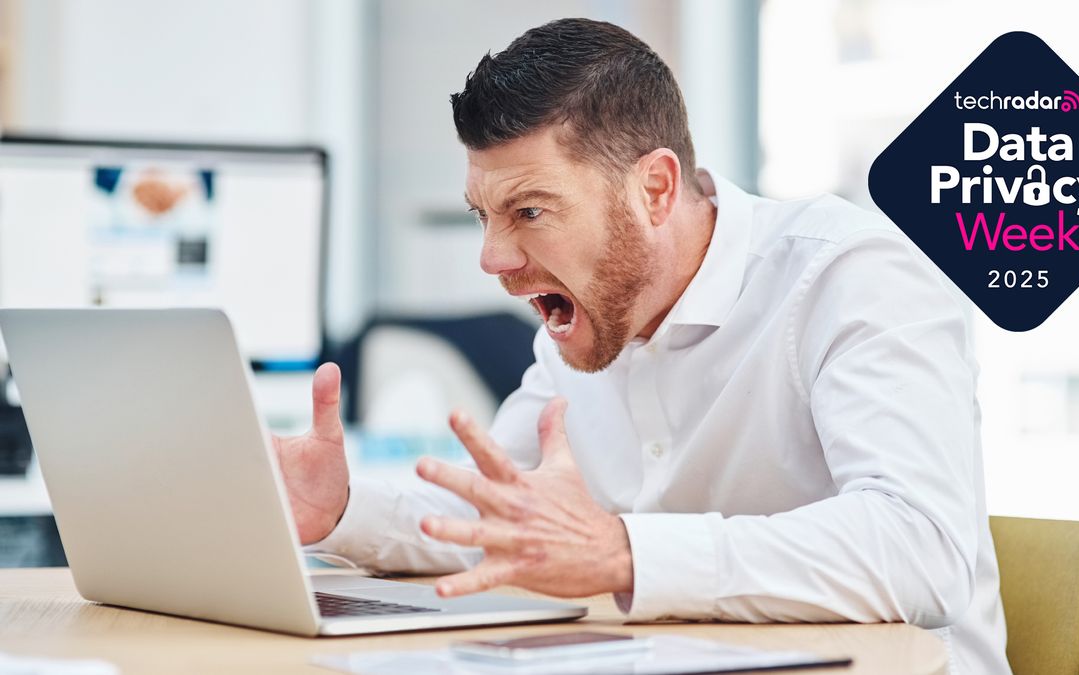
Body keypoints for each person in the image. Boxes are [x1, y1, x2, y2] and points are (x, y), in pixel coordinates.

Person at [273, 17, 1010, 674]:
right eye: (484, 216)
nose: (493, 259)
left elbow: (921, 548)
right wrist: (337, 507)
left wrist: (622, 553)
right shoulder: (587, 315)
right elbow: (499, 520)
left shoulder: (852, 275)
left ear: (654, 189)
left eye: (529, 210)